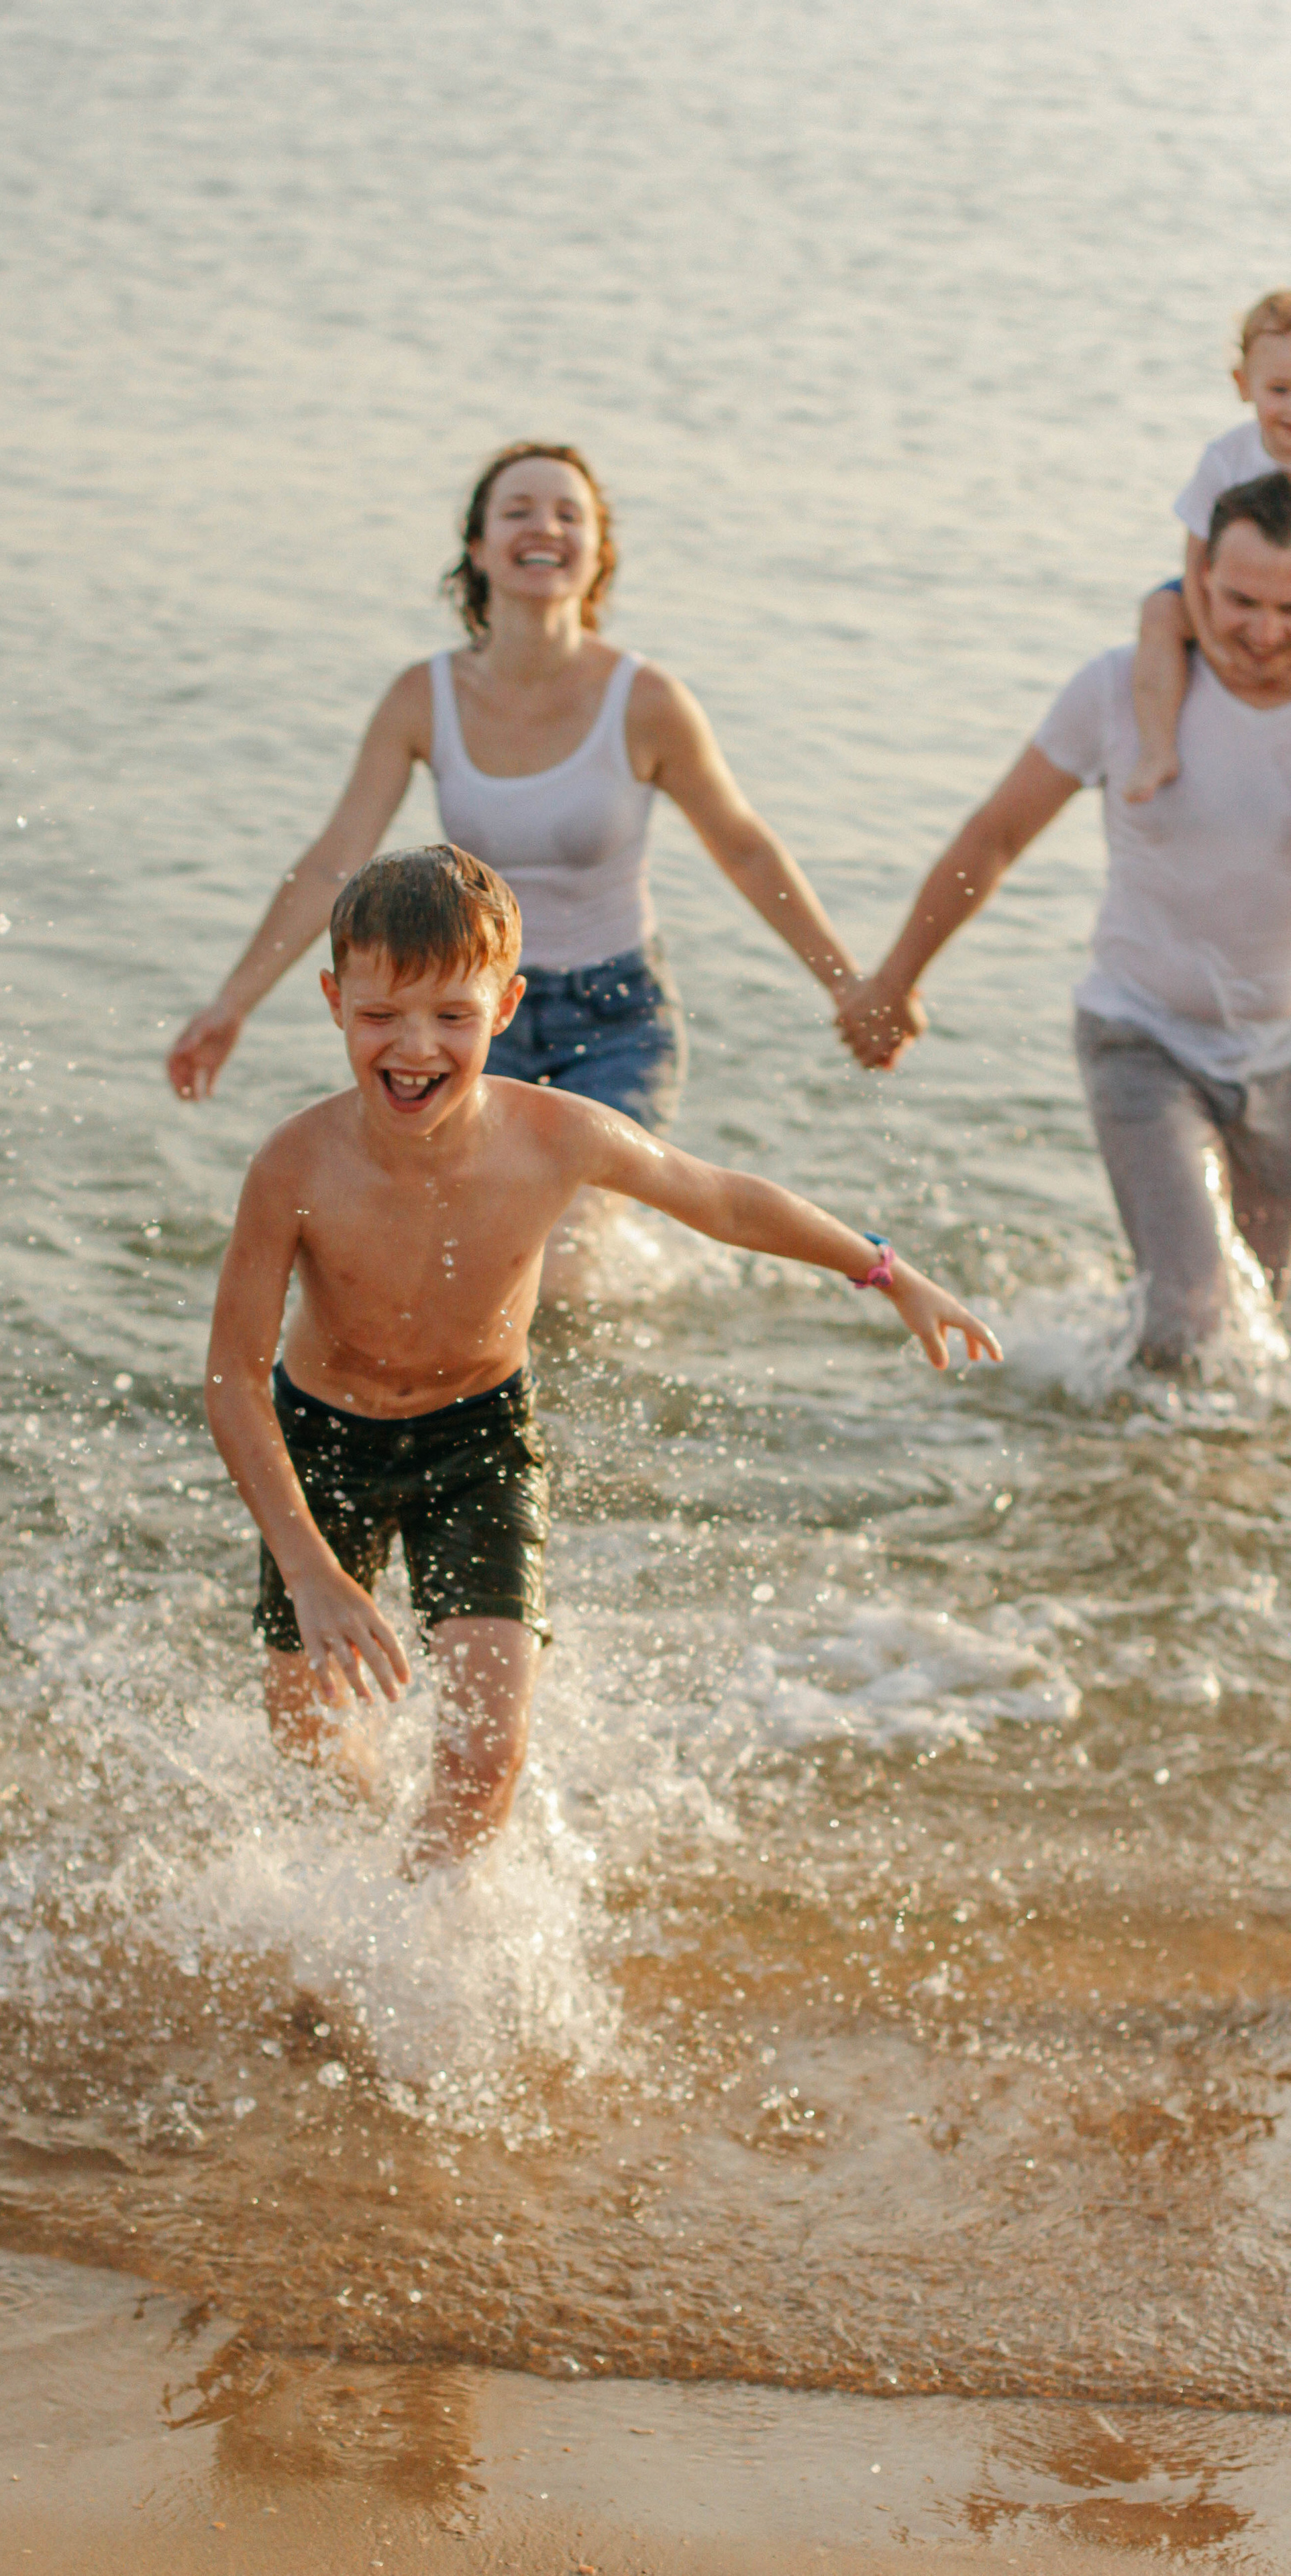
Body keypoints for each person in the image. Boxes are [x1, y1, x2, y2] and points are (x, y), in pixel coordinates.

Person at [205, 845, 999, 1873]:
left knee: (487, 1757)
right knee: (305, 1740)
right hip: (324, 1443)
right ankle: (360, 1896)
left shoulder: (556, 1137)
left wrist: (889, 1275)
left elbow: (724, 1201)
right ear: (332, 1003)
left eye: (452, 1016)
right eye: (380, 1017)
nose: (415, 1048)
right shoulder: (295, 1166)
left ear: (505, 1007)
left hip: (477, 1443)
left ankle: (410, 1935)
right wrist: (310, 1571)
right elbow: (233, 1379)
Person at [168, 442, 875, 1280]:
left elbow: (747, 850)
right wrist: (232, 1004)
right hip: (461, 1017)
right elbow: (334, 862)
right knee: (447, 1255)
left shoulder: (646, 702)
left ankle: (569, 1398)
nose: (544, 527)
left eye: (568, 514)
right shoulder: (421, 698)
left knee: (565, 1259)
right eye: (518, 511)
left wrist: (847, 984)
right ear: (478, 548)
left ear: (597, 553)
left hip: (615, 1015)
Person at [838, 474, 1291, 1370]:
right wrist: (895, 980)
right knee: (1193, 1317)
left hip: (1284, 1052)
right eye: (1242, 601)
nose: (1266, 633)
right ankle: (1138, 1487)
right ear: (1197, 577)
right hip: (1143, 1038)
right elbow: (996, 836)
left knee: (1273, 1318)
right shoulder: (1121, 688)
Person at [1127, 290, 1291, 803]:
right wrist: (1209, 637)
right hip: (1228, 592)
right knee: (1158, 611)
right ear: (1244, 386)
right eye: (1280, 390)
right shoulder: (1227, 457)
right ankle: (1157, 750)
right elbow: (1197, 555)